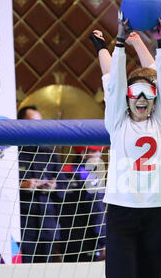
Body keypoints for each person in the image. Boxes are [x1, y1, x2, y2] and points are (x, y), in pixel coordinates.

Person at [89, 10, 161, 278]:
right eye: (135, 93)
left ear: (155, 99)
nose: (141, 99)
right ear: (127, 97)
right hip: (123, 214)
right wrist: (119, 41)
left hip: (157, 211)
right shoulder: (117, 123)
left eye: (148, 94)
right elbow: (113, 81)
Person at [18, 106, 68, 263]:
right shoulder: (13, 152)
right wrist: (22, 185)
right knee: (22, 274)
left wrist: (54, 187)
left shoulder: (49, 153)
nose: (38, 127)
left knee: (46, 274)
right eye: (33, 123)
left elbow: (64, 189)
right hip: (23, 228)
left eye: (40, 123)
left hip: (48, 226)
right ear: (21, 124)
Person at [60, 145, 106, 262]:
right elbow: (97, 210)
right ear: (83, 153)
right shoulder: (90, 176)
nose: (98, 155)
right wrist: (103, 241)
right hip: (88, 241)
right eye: (95, 151)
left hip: (66, 240)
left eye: (99, 151)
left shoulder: (65, 170)